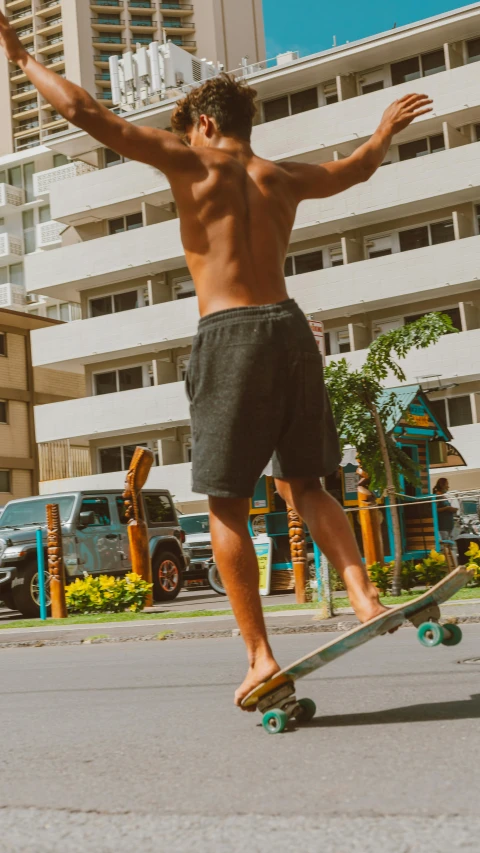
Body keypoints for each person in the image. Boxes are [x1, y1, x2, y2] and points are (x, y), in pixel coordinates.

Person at [0, 14, 433, 707]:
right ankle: (365, 593)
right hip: (292, 331)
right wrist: (383, 128)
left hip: (229, 332)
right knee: (310, 484)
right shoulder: (284, 177)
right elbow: (353, 171)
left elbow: (87, 113)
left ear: (202, 125)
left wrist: (21, 56)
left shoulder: (190, 162)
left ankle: (261, 657)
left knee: (227, 502)